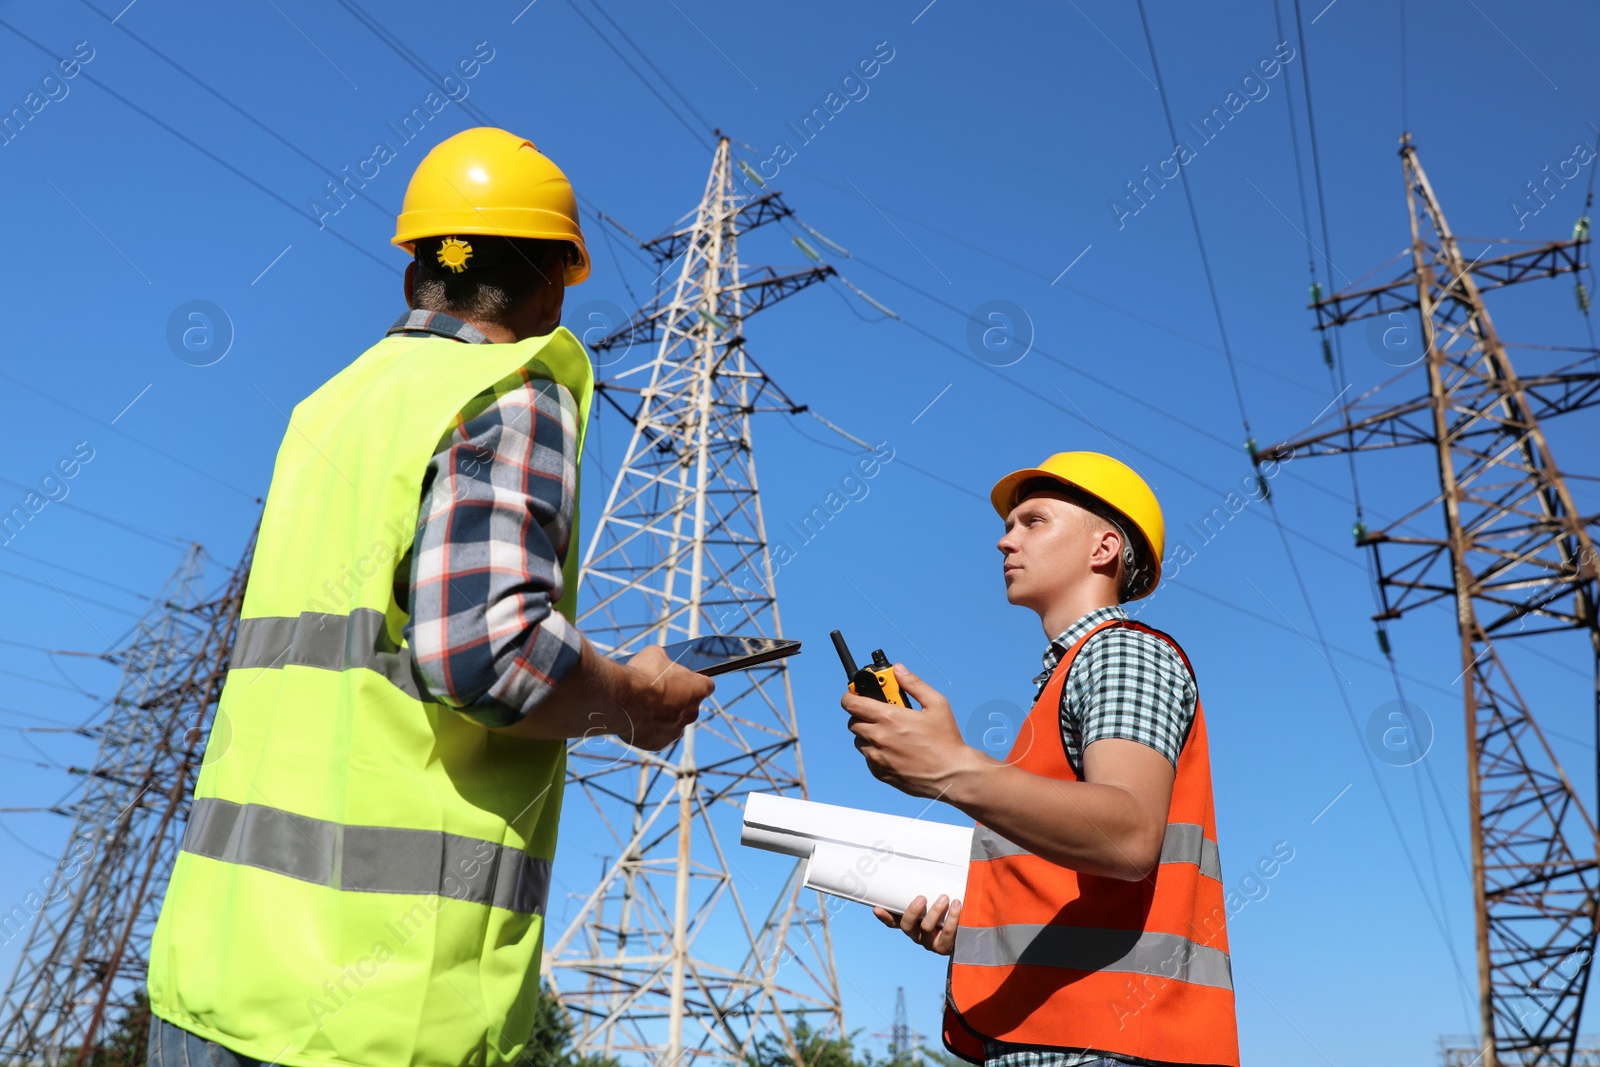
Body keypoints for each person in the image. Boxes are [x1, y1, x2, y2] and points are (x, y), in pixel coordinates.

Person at [145, 127, 713, 1067]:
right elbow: (492, 655)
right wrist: (634, 698)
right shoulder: (510, 389)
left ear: (416, 271)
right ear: (548, 286)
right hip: (382, 1014)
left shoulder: (329, 409)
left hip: (213, 977)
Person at [841, 452, 1239, 1067]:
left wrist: (950, 767)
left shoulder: (1123, 655)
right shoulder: (1063, 686)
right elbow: (1081, 883)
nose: (1005, 540)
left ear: (1104, 547)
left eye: (1034, 521)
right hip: (1070, 1040)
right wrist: (973, 932)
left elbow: (1127, 835)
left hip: (1112, 1043)